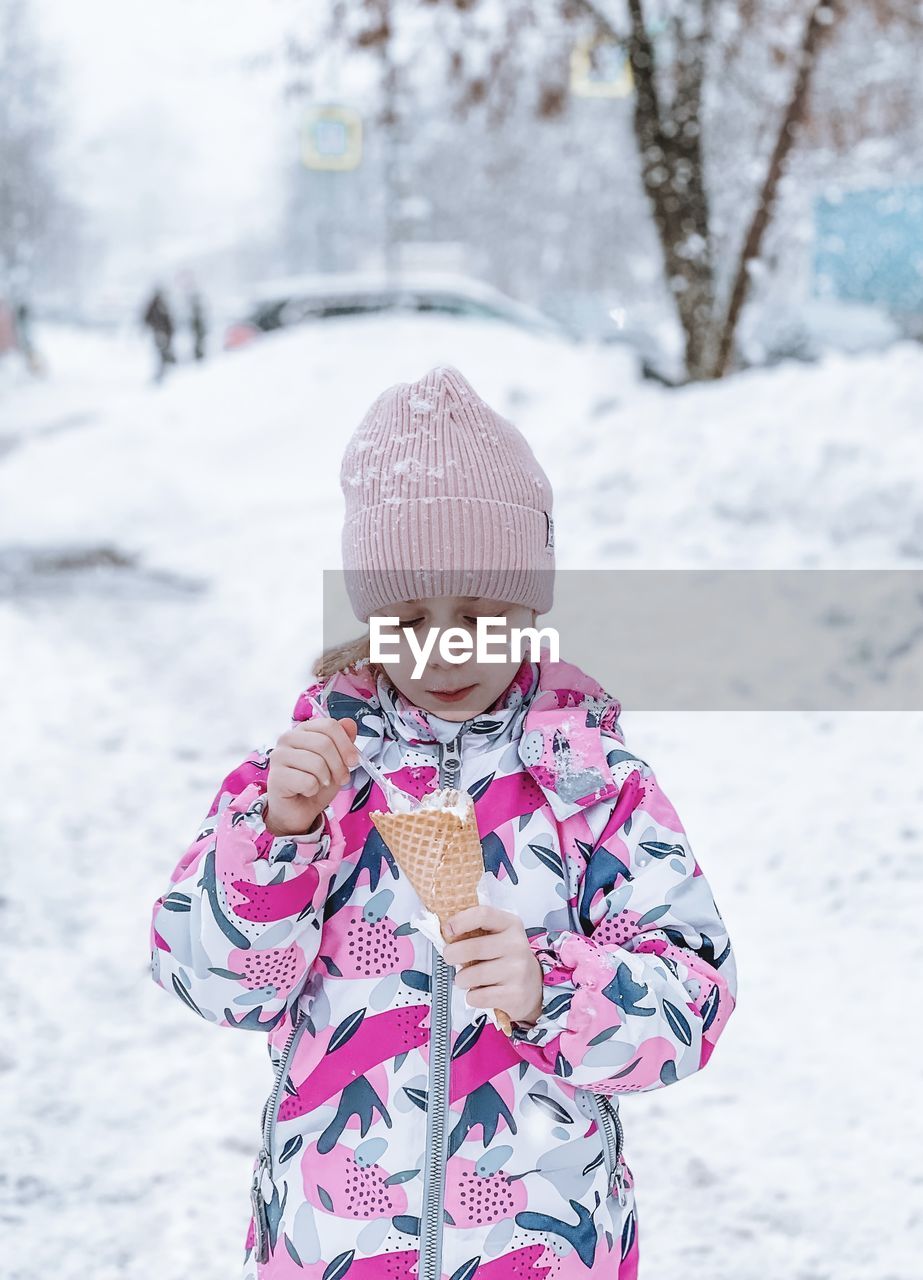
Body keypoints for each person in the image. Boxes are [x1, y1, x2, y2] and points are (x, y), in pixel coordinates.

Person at [149, 364, 738, 1280]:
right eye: (408, 616)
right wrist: (277, 841)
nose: (444, 646)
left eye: (479, 611)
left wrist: (551, 988)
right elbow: (219, 986)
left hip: (541, 1244)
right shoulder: (310, 776)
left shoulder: (596, 786)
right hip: (333, 1244)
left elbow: (691, 1004)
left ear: (531, 602)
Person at [141, 285, 176, 382]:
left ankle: (167, 372)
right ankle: (163, 373)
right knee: (163, 353)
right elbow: (147, 318)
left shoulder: (161, 304)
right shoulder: (156, 305)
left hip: (163, 333)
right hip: (160, 333)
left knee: (165, 352)